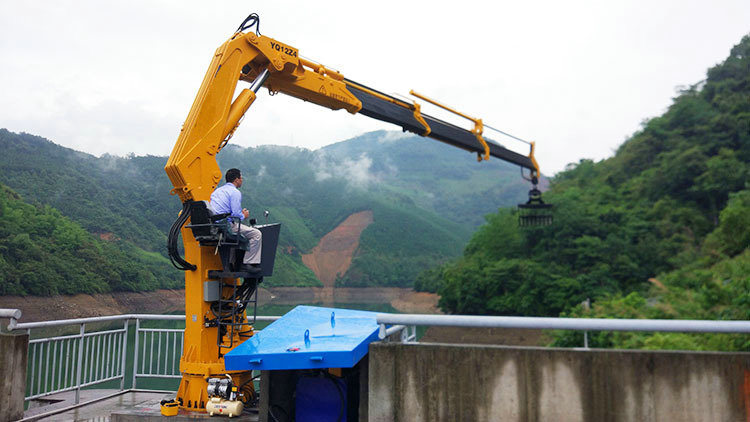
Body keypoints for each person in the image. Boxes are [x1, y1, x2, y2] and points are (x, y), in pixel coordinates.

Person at [209, 168, 262, 271]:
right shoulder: (235, 192)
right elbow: (236, 214)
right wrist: (244, 215)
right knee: (256, 234)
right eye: (241, 178)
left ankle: (231, 264)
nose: (242, 180)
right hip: (226, 226)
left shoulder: (217, 191)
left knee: (235, 236)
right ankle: (248, 263)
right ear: (236, 179)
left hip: (215, 226)